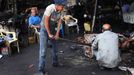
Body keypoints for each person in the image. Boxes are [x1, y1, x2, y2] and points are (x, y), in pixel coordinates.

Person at [38, 1, 65, 75]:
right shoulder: (50, 8)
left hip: (52, 29)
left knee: (55, 48)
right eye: (62, 5)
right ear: (57, 5)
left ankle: (55, 63)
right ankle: (41, 70)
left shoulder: (61, 10)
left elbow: (59, 22)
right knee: (43, 51)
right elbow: (45, 21)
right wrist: (49, 34)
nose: (63, 7)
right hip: (44, 30)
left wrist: (57, 34)